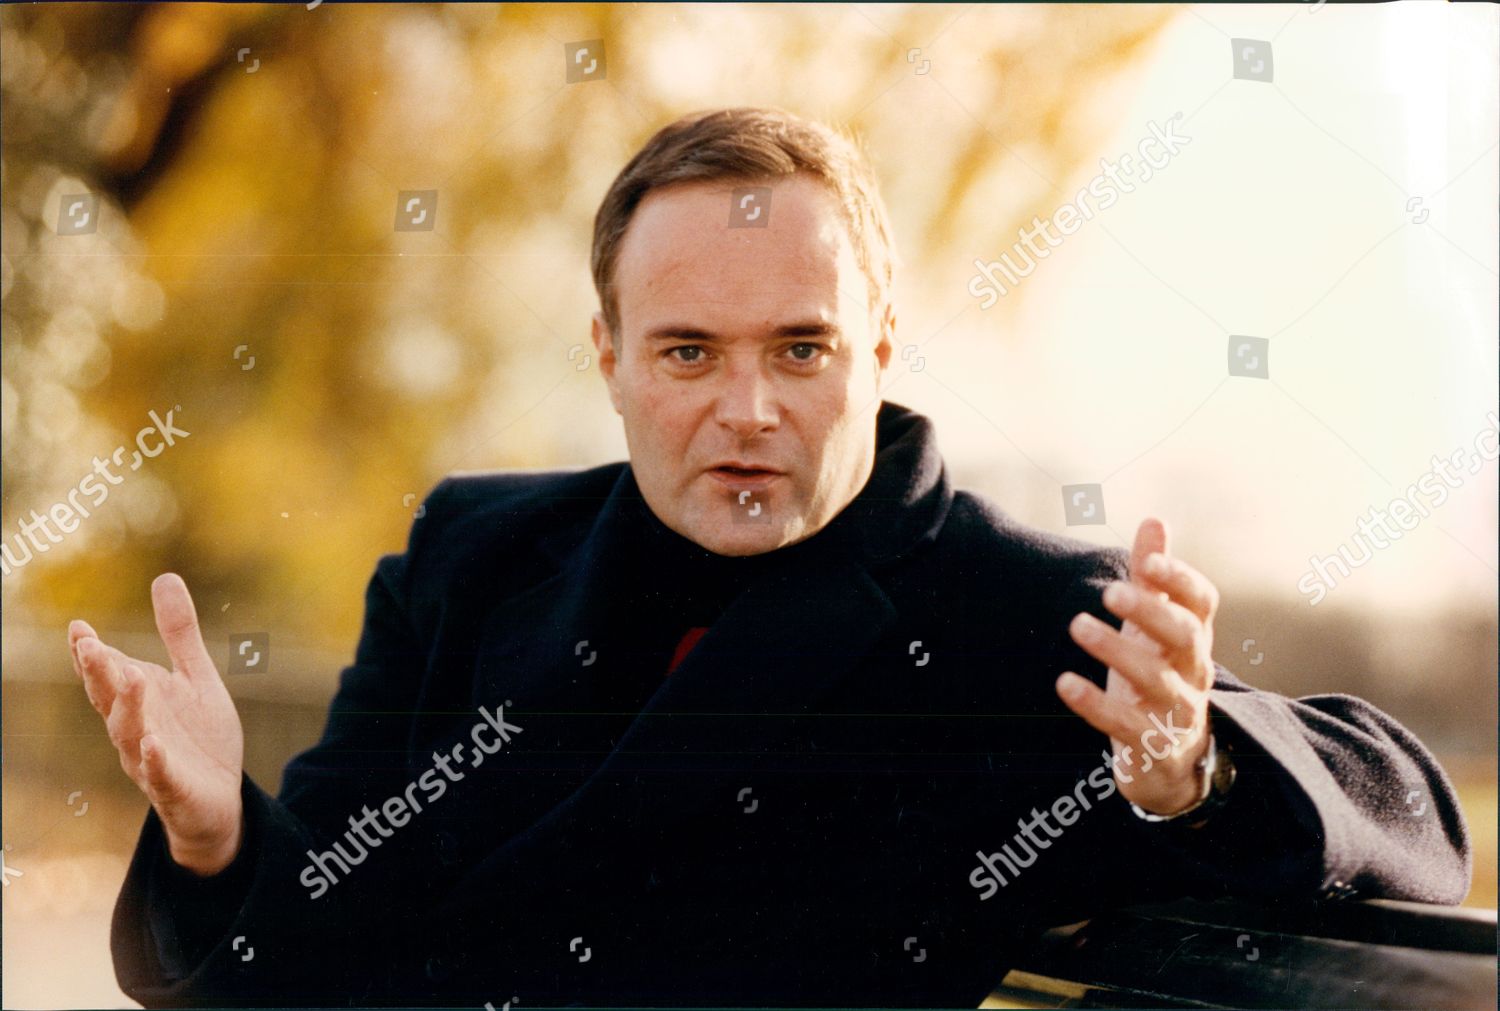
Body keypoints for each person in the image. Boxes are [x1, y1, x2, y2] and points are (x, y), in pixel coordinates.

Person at [77, 107, 1470, 1008]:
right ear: (611, 360)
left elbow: (1420, 823)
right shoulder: (474, 554)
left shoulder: (1027, 616)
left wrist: (1193, 771)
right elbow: (317, 945)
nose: (748, 411)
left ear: (878, 353)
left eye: (801, 350)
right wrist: (216, 836)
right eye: (689, 353)